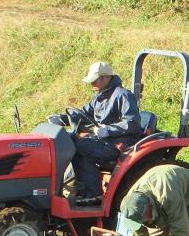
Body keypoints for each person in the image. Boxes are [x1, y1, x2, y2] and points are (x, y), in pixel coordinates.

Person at [49, 61, 141, 204]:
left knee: (80, 148)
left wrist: (108, 130)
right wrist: (63, 118)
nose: (92, 85)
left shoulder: (122, 95)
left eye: (94, 81)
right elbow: (84, 113)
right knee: (70, 139)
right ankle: (69, 189)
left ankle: (93, 194)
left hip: (118, 143)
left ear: (104, 78)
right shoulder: (100, 97)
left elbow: (133, 123)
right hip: (104, 140)